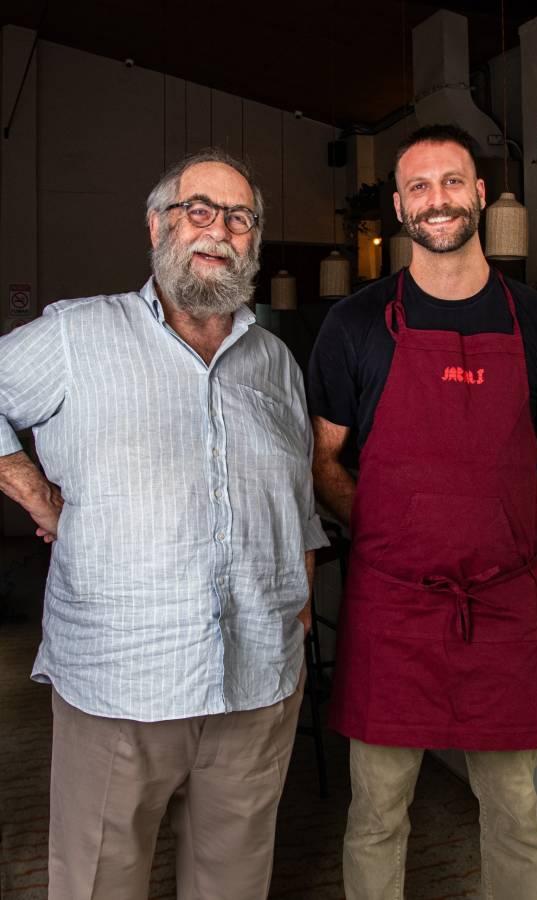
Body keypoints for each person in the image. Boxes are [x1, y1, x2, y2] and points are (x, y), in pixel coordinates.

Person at [0, 148, 327, 900]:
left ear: (254, 240)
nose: (219, 231)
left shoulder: (275, 361)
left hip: (257, 683)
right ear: (157, 226)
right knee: (99, 884)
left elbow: (298, 498)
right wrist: (36, 494)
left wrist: (301, 600)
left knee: (233, 885)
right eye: (198, 210)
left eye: (239, 218)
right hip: (121, 684)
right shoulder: (78, 335)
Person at [308, 123, 537, 900]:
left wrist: (494, 527)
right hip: (392, 604)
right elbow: (323, 460)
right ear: (401, 206)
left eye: (453, 181)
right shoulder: (355, 323)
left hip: (500, 602)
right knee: (377, 814)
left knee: (515, 812)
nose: (438, 199)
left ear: (480, 195)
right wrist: (396, 531)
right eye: (420, 186)